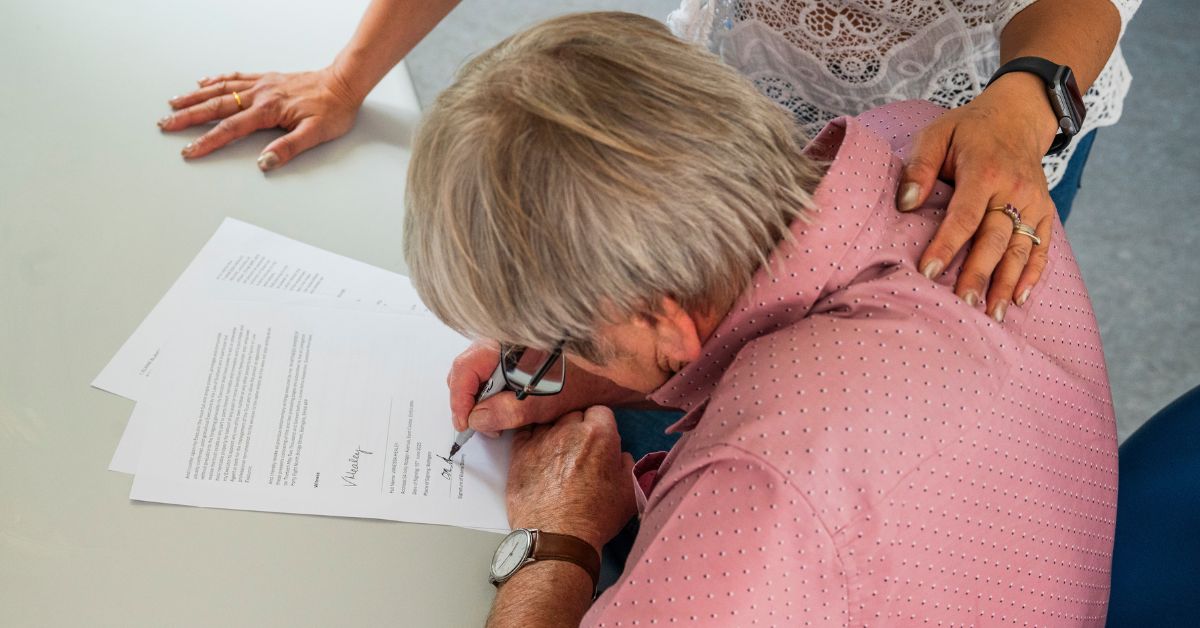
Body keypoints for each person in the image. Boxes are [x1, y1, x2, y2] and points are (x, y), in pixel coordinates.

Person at [403, 12, 1118, 626]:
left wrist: (556, 540)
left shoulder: (754, 489)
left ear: (665, 324)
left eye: (561, 342)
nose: (550, 358)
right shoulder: (930, 145)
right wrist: (605, 370)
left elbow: (779, 485)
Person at [156, 0, 1138, 323]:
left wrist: (1028, 103)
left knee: (911, 343)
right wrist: (347, 78)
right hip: (740, 82)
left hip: (992, 109)